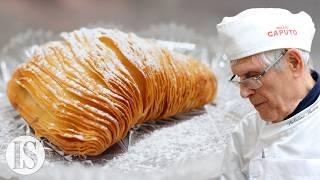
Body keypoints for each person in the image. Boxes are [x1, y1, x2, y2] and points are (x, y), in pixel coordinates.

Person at [216, 8, 320, 179]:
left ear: (294, 63)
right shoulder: (246, 132)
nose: (243, 93)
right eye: (240, 78)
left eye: (252, 76)